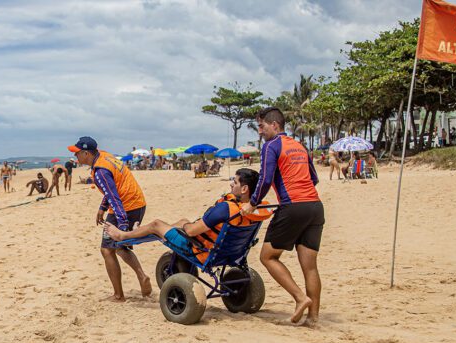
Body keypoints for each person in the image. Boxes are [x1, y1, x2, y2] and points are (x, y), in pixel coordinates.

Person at [241, 107, 324, 327]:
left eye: (262, 126)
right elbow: (313, 179)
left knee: (267, 256)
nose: (260, 131)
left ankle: (300, 298)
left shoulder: (271, 146)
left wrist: (252, 204)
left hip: (293, 207)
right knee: (310, 266)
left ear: (274, 125)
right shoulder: (300, 146)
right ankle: (313, 318)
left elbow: (265, 179)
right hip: (315, 206)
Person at [104, 169, 260, 261]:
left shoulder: (226, 208)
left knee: (157, 224)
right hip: (232, 252)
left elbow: (192, 232)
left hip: (203, 251)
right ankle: (138, 231)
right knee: (183, 221)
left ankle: (123, 236)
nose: (232, 183)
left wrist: (187, 227)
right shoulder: (253, 209)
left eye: (236, 182)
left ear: (244, 189)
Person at [68, 136, 152, 302]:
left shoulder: (100, 171)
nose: (75, 156)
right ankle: (141, 277)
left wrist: (121, 227)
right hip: (138, 204)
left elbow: (114, 197)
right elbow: (113, 188)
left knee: (107, 249)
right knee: (119, 247)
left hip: (125, 208)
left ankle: (119, 295)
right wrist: (102, 208)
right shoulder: (105, 156)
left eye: (77, 153)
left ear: (86, 153)